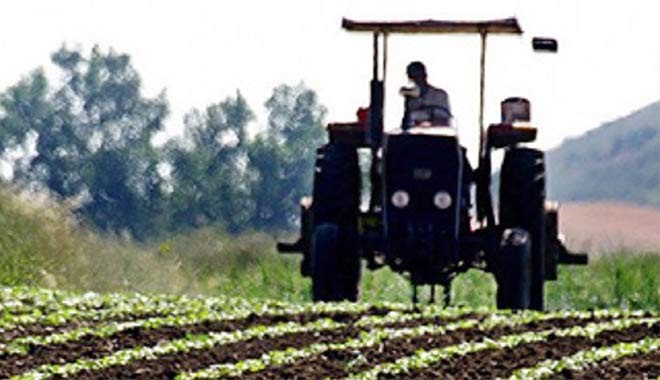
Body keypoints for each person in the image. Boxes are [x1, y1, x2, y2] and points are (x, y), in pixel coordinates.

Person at [400, 61, 452, 130]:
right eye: (412, 77)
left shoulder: (439, 95)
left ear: (424, 75)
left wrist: (426, 123)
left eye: (418, 75)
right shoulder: (411, 98)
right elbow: (406, 124)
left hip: (437, 136)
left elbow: (445, 120)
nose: (415, 79)